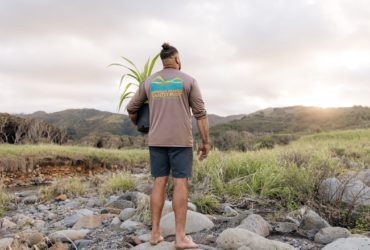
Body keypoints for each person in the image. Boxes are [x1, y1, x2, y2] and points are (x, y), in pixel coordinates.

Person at [126, 43, 209, 249]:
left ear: (163, 62)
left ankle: (155, 234)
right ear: (178, 60)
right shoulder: (189, 81)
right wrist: (206, 142)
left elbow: (131, 108)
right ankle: (180, 238)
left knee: (159, 182)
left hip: (157, 141)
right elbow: (200, 114)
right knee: (180, 183)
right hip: (181, 141)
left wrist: (140, 125)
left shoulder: (149, 82)